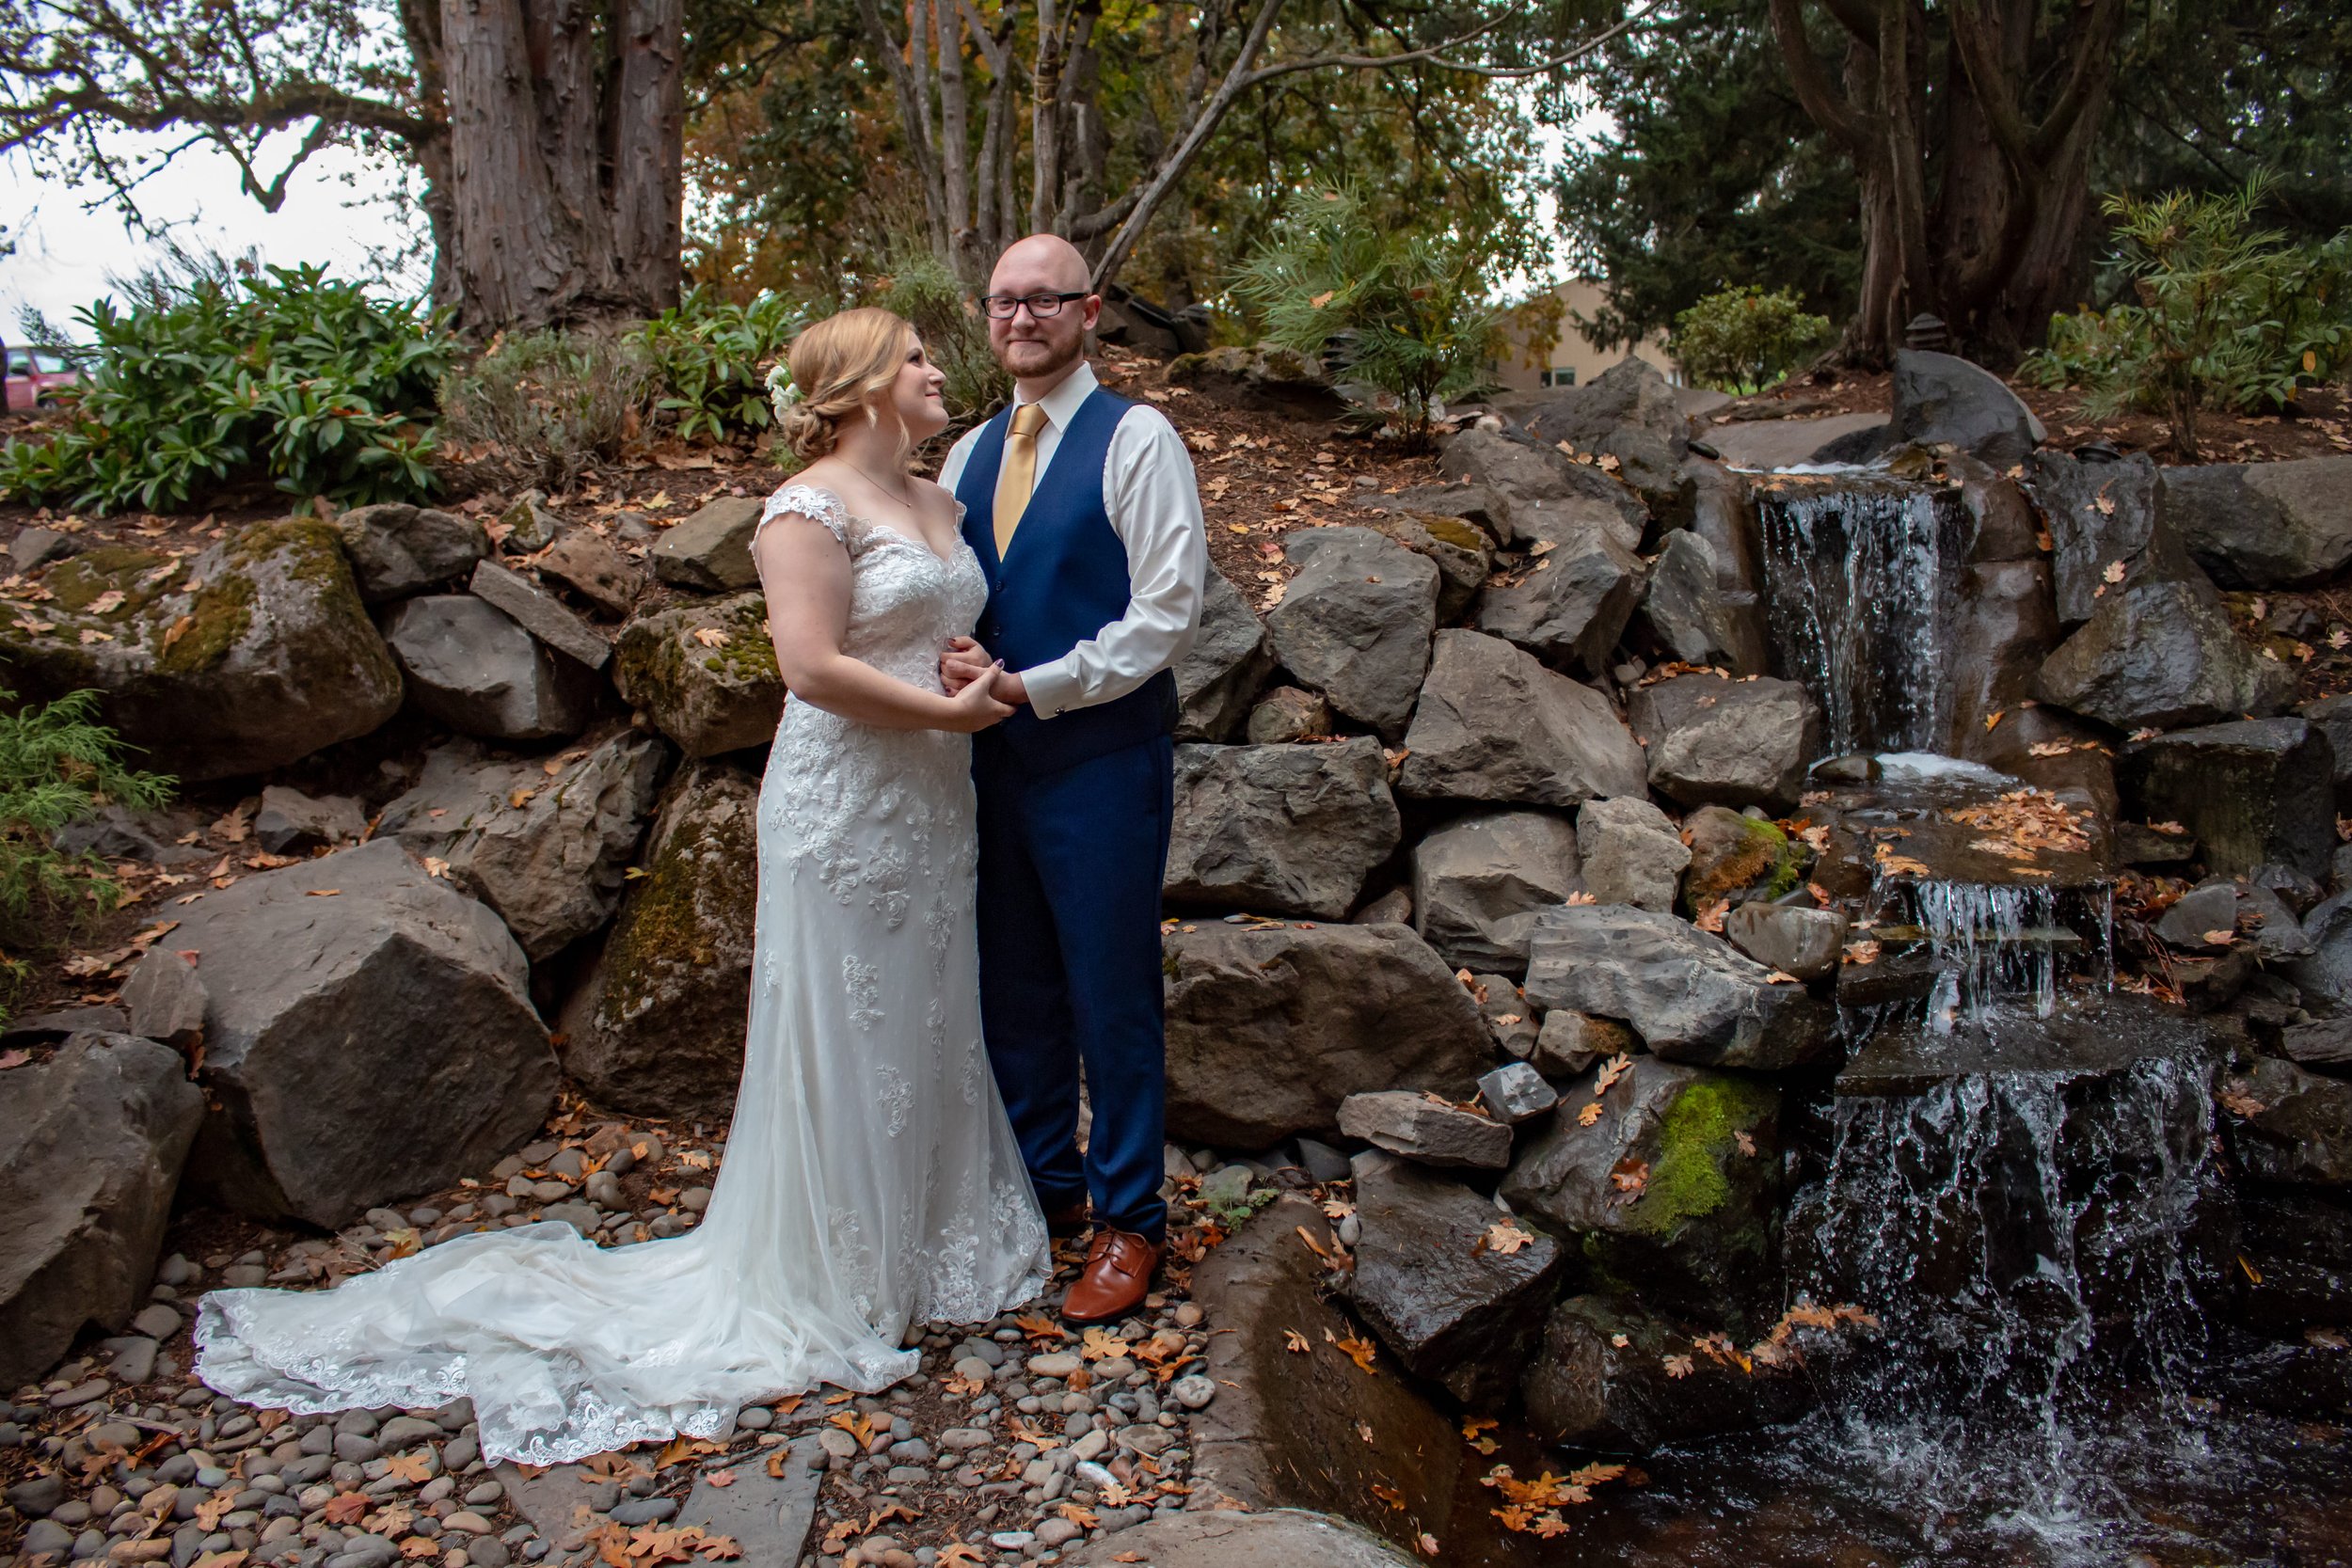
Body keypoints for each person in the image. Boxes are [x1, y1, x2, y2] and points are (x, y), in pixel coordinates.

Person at [193, 308, 1051, 1465]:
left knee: (928, 1008)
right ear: (856, 388)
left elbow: (934, 630)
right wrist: (946, 706)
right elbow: (811, 667)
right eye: (913, 356)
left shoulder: (943, 502)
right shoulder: (804, 507)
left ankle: (930, 1237)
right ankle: (835, 1262)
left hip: (935, 802)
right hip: (844, 798)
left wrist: (966, 671)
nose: (937, 368)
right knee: (847, 1018)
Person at [937, 235, 1208, 1325]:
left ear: (1088, 311)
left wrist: (1036, 684)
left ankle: (1131, 1217)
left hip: (1099, 756)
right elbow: (953, 595)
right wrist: (958, 663)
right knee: (1014, 986)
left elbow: (1165, 612)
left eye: (1043, 299)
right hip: (985, 761)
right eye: (1003, 301)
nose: (1020, 318)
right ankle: (1043, 1189)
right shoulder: (963, 452)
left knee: (1111, 991)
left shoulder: (1137, 438)